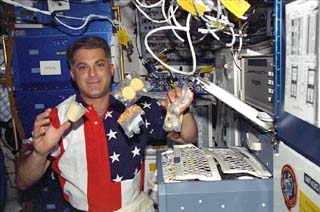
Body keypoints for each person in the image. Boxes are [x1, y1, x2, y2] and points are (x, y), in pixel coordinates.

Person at [15, 36, 198, 212]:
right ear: (72, 74)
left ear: (111, 69)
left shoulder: (138, 107)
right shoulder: (57, 118)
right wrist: (40, 153)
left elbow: (186, 137)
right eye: (82, 67)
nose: (92, 74)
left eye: (99, 65)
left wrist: (182, 110)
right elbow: (23, 182)